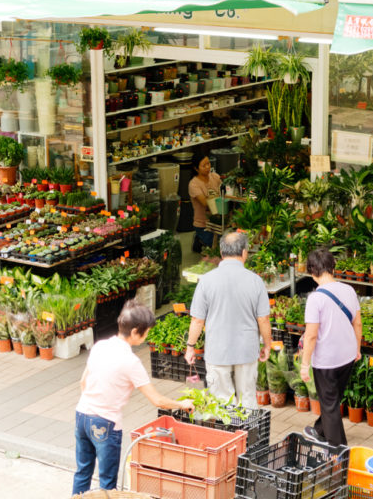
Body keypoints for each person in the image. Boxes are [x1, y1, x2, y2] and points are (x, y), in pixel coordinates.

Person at [72, 299, 194, 494]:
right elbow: (157, 400)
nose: (147, 336)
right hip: (106, 423)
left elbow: (83, 382)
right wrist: (182, 403)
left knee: (83, 471)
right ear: (136, 331)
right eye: (146, 332)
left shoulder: (100, 346)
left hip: (82, 414)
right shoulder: (131, 361)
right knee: (107, 483)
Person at [185, 231, 272, 409]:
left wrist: (190, 347)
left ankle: (229, 435)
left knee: (222, 403)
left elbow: (197, 320)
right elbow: (263, 319)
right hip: (246, 350)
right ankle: (248, 435)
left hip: (218, 351)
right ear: (244, 252)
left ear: (221, 252)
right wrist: (267, 345)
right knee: (247, 399)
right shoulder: (256, 281)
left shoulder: (206, 281)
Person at [299, 248, 361, 447]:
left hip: (326, 361)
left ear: (311, 271)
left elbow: (311, 336)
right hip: (348, 355)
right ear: (333, 267)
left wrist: (304, 364)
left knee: (329, 404)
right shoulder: (349, 290)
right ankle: (319, 430)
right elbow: (357, 324)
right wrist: (357, 348)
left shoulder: (315, 298)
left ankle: (339, 452)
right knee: (332, 401)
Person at [188, 155, 221, 253]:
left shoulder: (215, 176)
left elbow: (225, 191)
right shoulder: (194, 184)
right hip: (203, 224)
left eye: (208, 163)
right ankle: (199, 239)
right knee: (217, 248)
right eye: (204, 165)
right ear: (196, 168)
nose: (207, 167)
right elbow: (205, 203)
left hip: (219, 220)